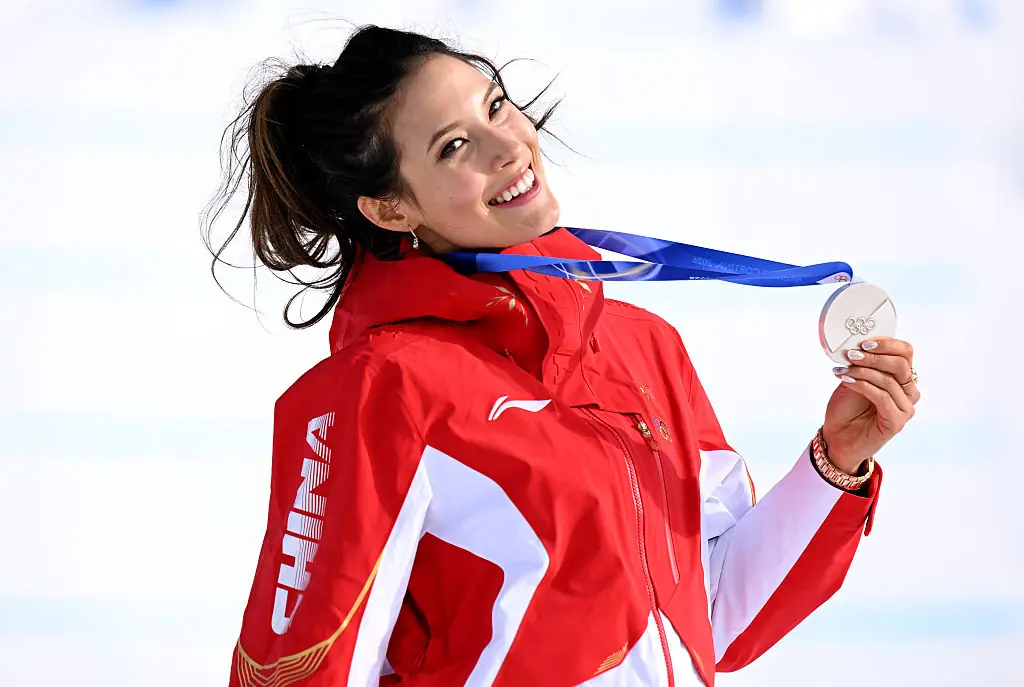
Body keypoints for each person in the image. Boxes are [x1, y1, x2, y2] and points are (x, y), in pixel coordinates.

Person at [208, 25, 920, 687]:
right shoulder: (382, 388)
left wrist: (836, 462)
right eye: (454, 146)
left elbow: (711, 615)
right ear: (391, 209)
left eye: (496, 106)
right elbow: (302, 669)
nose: (508, 146)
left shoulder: (644, 347)